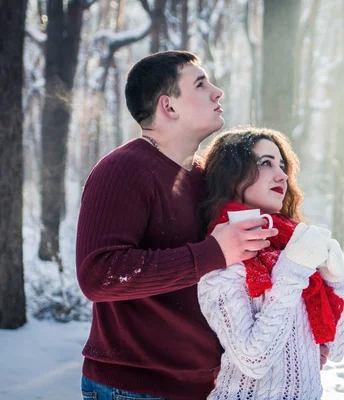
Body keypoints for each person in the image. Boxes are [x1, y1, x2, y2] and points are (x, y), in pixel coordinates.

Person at [75, 51, 279, 400]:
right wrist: (212, 253)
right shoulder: (123, 170)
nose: (218, 92)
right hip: (134, 388)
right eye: (201, 84)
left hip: (207, 386)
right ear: (169, 107)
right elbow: (99, 275)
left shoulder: (204, 177)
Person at [196, 127, 344, 399]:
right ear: (232, 175)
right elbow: (252, 360)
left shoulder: (294, 245)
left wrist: (338, 283)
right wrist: (293, 271)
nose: (281, 175)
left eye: (282, 165)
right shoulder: (224, 259)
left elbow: (336, 348)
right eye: (265, 163)